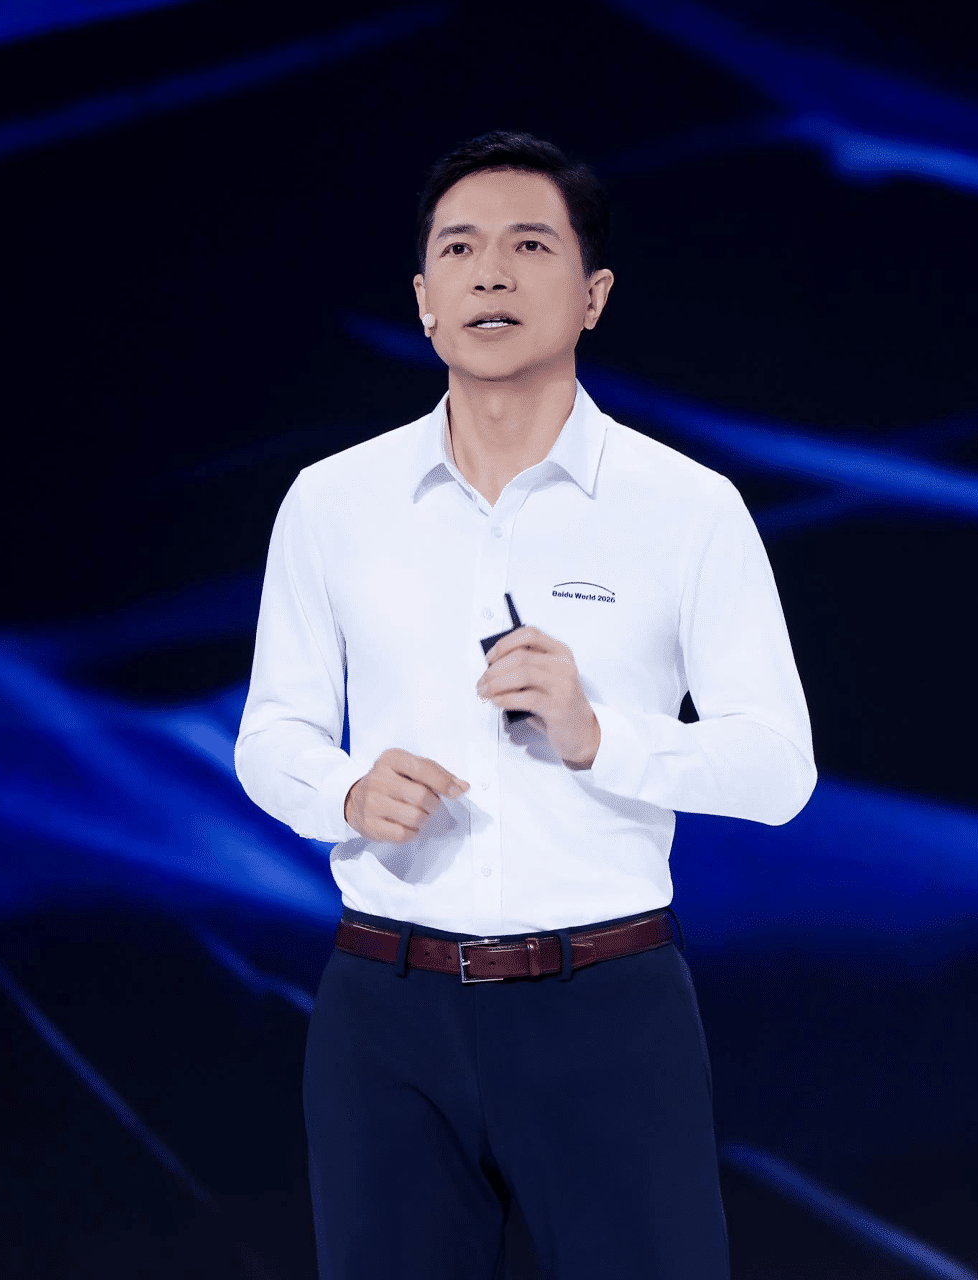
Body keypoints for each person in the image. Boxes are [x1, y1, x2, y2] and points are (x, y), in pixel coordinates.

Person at [235, 130, 815, 1280]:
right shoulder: (333, 502)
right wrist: (345, 790)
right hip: (386, 1010)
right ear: (423, 299)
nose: (489, 273)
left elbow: (778, 767)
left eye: (529, 245)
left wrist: (604, 736)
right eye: (459, 249)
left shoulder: (686, 507)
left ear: (593, 294)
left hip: (607, 1004)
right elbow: (271, 734)